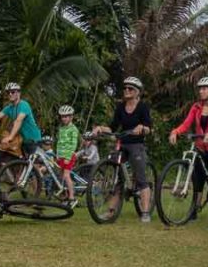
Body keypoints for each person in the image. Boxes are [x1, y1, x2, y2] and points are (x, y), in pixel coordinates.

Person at [92, 76, 153, 222]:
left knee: (141, 178)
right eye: (125, 88)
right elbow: (113, 127)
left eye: (130, 88)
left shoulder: (142, 107)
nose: (126, 90)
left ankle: (145, 212)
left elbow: (149, 128)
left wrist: (141, 128)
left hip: (136, 144)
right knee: (117, 179)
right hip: (122, 142)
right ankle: (111, 211)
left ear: (137, 92)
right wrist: (100, 128)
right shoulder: (120, 107)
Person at [169, 77, 208, 214]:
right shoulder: (196, 107)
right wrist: (175, 132)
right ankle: (195, 209)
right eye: (200, 89)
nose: (201, 91)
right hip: (201, 147)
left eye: (204, 88)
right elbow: (186, 124)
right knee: (198, 179)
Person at [0, 82, 41, 156]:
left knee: (33, 164)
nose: (10, 94)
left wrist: (10, 137)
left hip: (33, 139)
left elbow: (18, 120)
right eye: (8, 93)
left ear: (19, 93)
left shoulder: (24, 105)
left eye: (12, 92)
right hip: (23, 140)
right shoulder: (9, 108)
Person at [56, 105, 81, 207]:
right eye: (62, 116)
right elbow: (59, 142)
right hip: (61, 155)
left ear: (71, 117)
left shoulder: (73, 129)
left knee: (66, 175)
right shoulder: (61, 128)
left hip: (68, 156)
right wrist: (57, 154)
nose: (64, 118)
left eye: (66, 116)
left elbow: (73, 144)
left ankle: (72, 197)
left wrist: (68, 157)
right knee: (61, 177)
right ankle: (65, 195)